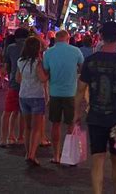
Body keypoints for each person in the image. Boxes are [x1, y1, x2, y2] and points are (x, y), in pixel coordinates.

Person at [74, 22, 116, 194]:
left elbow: (80, 89)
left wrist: (76, 113)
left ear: (101, 37)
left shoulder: (90, 61)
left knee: (97, 160)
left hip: (95, 116)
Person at [43, 30, 84, 164]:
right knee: (70, 124)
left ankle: (56, 155)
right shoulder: (75, 51)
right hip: (70, 93)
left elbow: (46, 71)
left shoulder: (48, 53)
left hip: (54, 92)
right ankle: (68, 155)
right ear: (68, 39)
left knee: (55, 124)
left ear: (56, 39)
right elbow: (82, 67)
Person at [17, 36, 49, 166]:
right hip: (36, 95)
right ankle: (32, 154)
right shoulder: (37, 62)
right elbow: (42, 79)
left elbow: (18, 79)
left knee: (28, 127)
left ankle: (27, 152)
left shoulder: (20, 61)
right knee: (36, 128)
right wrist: (48, 74)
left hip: (23, 95)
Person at [0, 28, 29, 147]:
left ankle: (4, 138)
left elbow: (6, 66)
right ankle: (20, 137)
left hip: (13, 83)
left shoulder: (11, 48)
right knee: (21, 112)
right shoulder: (30, 47)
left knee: (7, 112)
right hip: (27, 83)